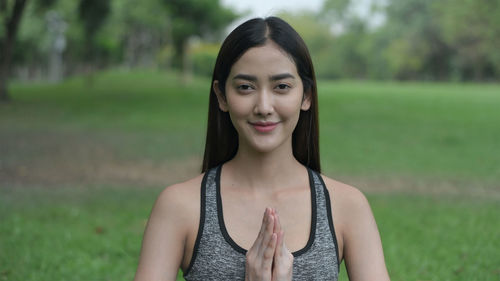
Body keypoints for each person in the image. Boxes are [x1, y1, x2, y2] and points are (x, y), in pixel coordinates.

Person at [134, 17, 390, 281]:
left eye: (282, 87)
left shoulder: (347, 205)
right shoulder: (179, 206)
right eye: (245, 87)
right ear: (222, 96)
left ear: (306, 97)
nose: (264, 106)